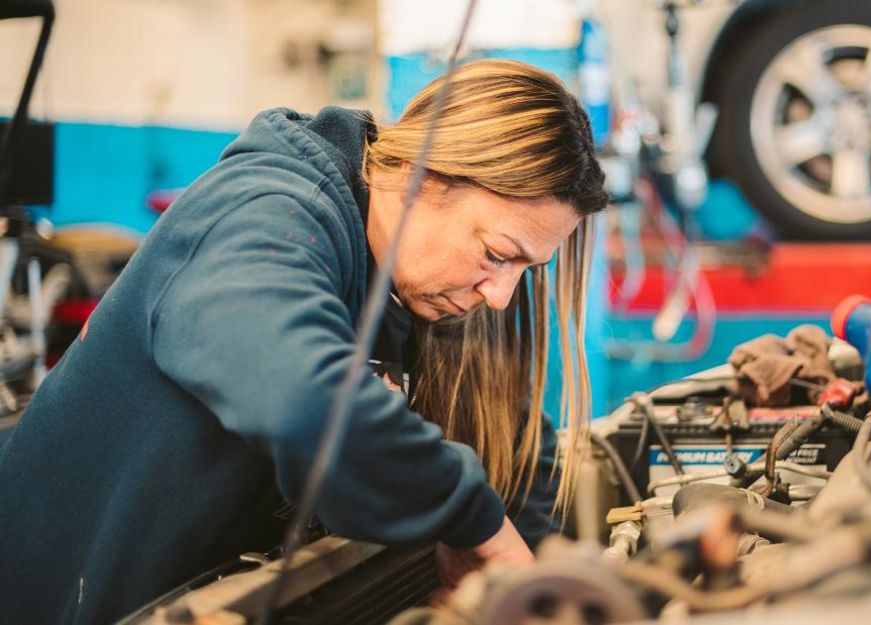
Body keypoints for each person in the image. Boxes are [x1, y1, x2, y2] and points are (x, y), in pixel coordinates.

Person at [0, 59, 606, 624]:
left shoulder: (427, 282)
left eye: (525, 268)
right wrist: (467, 508)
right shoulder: (269, 211)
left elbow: (517, 441)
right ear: (420, 176)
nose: (501, 294)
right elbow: (297, 393)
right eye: (498, 255)